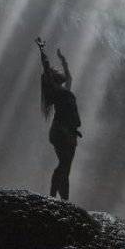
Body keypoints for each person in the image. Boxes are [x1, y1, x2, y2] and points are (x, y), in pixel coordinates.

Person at [36, 36, 81, 201]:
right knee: (63, 164)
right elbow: (46, 69)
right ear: (53, 78)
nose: (58, 71)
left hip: (69, 132)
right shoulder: (55, 90)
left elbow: (69, 79)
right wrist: (42, 50)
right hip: (61, 131)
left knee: (66, 167)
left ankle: (64, 200)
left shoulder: (64, 91)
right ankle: (53, 197)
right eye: (57, 71)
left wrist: (64, 62)